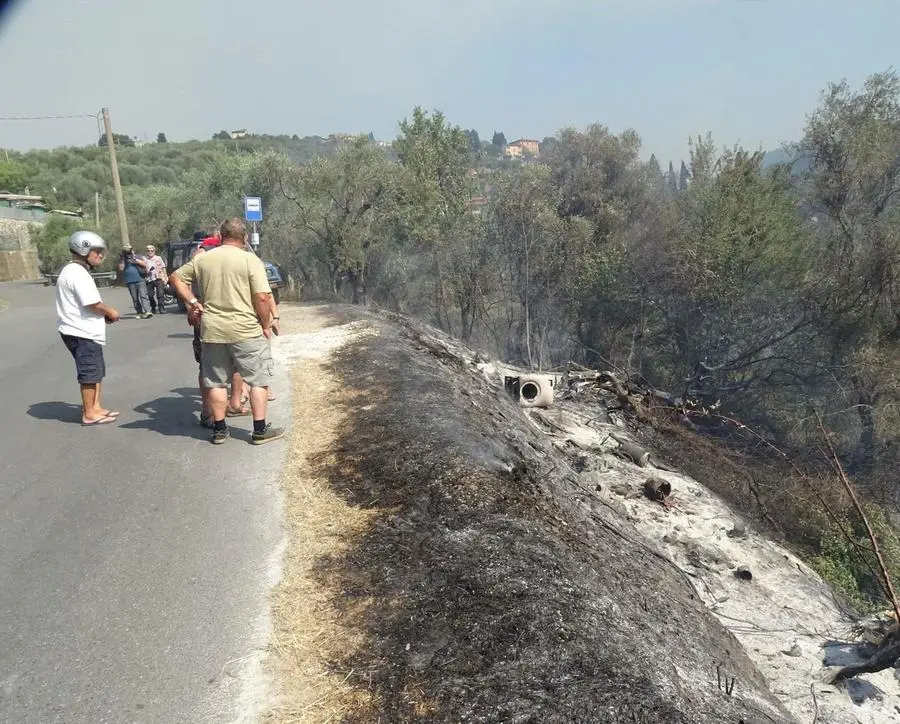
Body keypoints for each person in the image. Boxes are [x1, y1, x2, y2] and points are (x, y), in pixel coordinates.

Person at [171, 218, 283, 445]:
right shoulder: (251, 260)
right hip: (246, 330)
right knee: (257, 381)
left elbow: (175, 278)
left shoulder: (203, 259)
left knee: (216, 382)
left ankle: (220, 430)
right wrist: (264, 324)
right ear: (245, 238)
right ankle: (260, 430)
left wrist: (193, 302)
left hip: (213, 331)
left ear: (221, 236)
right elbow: (262, 296)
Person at [56, 231, 121, 425]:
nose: (100, 255)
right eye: (97, 251)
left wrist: (104, 316)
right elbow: (91, 303)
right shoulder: (76, 272)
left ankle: (96, 407)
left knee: (96, 370)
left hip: (87, 330)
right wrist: (111, 312)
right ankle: (89, 413)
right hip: (80, 331)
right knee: (89, 372)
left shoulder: (78, 270)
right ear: (83, 249)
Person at [118, 246, 152, 318]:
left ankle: (148, 311)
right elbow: (121, 268)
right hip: (130, 281)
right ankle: (140, 313)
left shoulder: (137, 257)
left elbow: (144, 264)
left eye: (129, 250)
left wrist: (134, 259)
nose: (128, 253)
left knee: (143, 295)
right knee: (135, 298)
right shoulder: (123, 259)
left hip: (140, 279)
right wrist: (122, 259)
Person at [144, 244, 168, 314]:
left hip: (158, 277)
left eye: (152, 251)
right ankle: (153, 307)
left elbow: (163, 267)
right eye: (148, 251)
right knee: (150, 295)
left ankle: (161, 308)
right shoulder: (144, 259)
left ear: (154, 251)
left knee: (160, 294)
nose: (150, 252)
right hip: (149, 279)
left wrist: (166, 277)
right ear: (146, 252)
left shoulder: (158, 258)